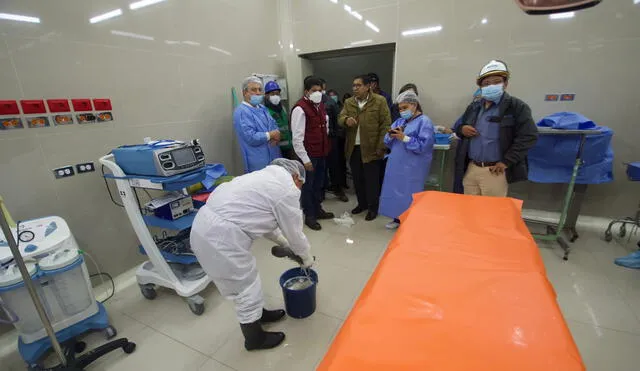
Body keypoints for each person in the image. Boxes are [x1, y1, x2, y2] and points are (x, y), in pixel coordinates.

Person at [190, 159, 314, 351]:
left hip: (205, 229)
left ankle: (258, 315)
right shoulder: (287, 189)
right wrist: (306, 257)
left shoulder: (261, 178)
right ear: (296, 176)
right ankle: (254, 339)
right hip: (220, 239)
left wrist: (283, 242)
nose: (299, 188)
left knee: (249, 281)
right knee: (245, 287)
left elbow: (263, 219)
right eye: (300, 184)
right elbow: (295, 233)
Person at [454, 60, 538, 197]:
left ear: (505, 84)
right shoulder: (474, 107)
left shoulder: (516, 107)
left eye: (496, 82)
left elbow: (529, 136)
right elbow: (458, 126)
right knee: (468, 210)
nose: (491, 86)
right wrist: (462, 129)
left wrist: (506, 161)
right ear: (480, 86)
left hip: (494, 171)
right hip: (472, 168)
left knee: (491, 212)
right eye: (486, 83)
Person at [339, 75, 392, 221]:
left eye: (358, 85)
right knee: (358, 179)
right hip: (354, 148)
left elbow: (386, 124)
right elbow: (340, 117)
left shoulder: (379, 101)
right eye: (353, 85)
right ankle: (361, 204)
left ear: (368, 86)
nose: (355, 88)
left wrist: (382, 146)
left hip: (372, 148)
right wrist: (345, 120)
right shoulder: (349, 102)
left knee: (372, 180)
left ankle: (373, 208)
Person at [379, 91, 435, 229]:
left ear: (414, 105)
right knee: (395, 192)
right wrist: (391, 135)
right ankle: (397, 218)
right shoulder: (400, 121)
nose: (402, 111)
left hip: (414, 166)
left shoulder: (424, 122)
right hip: (396, 164)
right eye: (400, 109)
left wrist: (405, 138)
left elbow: (424, 146)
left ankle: (410, 221)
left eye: (405, 108)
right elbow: (387, 141)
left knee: (410, 194)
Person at [291, 76, 334, 230]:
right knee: (308, 186)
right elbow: (297, 138)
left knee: (318, 184)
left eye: (320, 90)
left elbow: (325, 126)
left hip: (321, 152)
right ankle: (309, 215)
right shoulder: (300, 109)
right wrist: (305, 159)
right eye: (314, 90)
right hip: (308, 156)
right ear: (306, 91)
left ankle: (318, 209)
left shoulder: (320, 105)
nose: (318, 93)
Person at [233, 76, 282, 172]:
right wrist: (271, 134)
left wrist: (277, 134)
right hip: (258, 162)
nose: (258, 93)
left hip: (274, 156)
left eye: (260, 89)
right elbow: (251, 137)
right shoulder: (242, 112)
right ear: (245, 92)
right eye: (254, 90)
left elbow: (274, 125)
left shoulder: (262, 108)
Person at [322, 85, 349, 202]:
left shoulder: (330, 103)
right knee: (320, 168)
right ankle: (321, 191)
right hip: (318, 141)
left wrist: (336, 136)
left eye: (320, 89)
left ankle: (337, 188)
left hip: (331, 139)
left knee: (334, 166)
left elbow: (338, 122)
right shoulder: (306, 105)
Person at [264, 81, 294, 159]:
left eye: (277, 93)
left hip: (289, 146)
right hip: (276, 149)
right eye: (272, 94)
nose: (275, 96)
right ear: (267, 95)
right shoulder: (265, 111)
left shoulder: (282, 108)